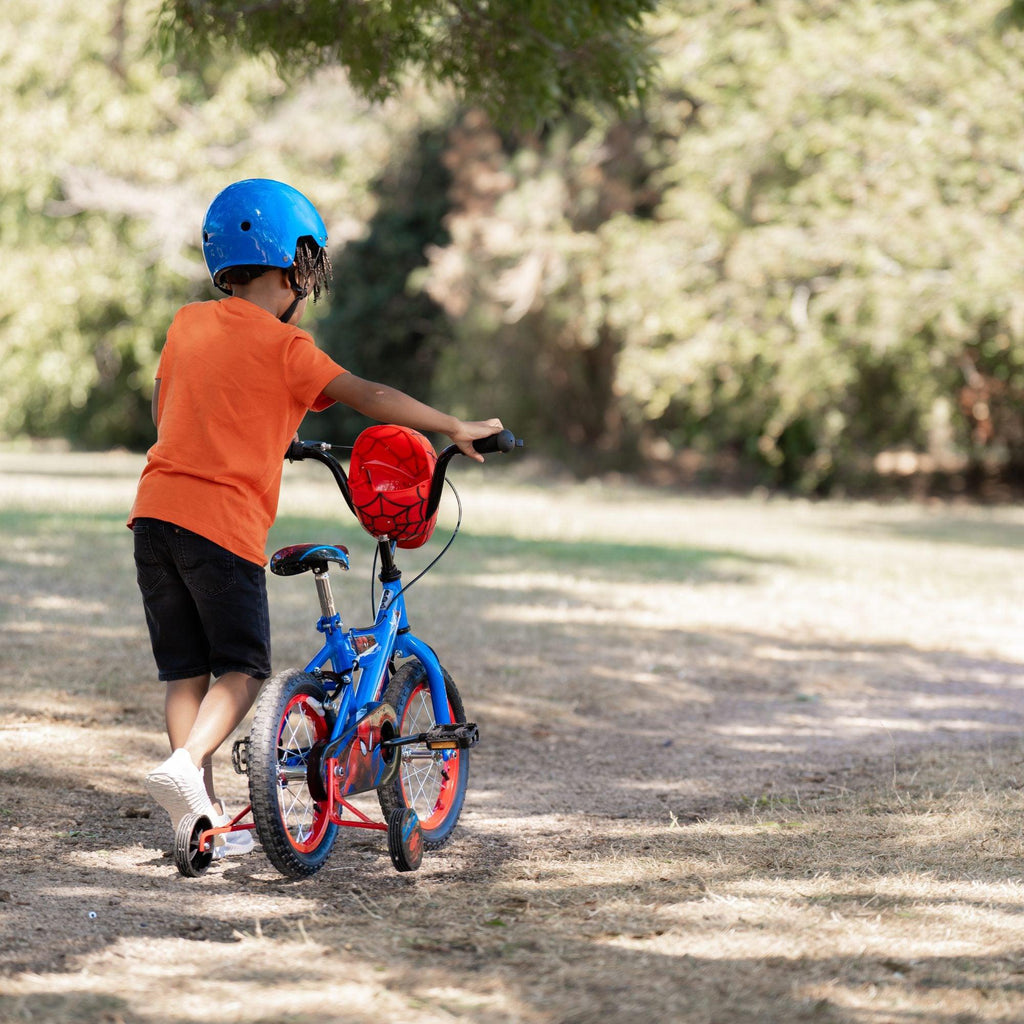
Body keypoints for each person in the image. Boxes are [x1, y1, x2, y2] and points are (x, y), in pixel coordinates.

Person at [129, 178, 501, 855]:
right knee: (240, 670)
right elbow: (371, 394)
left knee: (184, 671)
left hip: (153, 517)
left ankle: (196, 823)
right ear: (294, 264)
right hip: (222, 525)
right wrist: (453, 424)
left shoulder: (186, 323)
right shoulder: (287, 349)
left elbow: (169, 415)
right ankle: (185, 768)